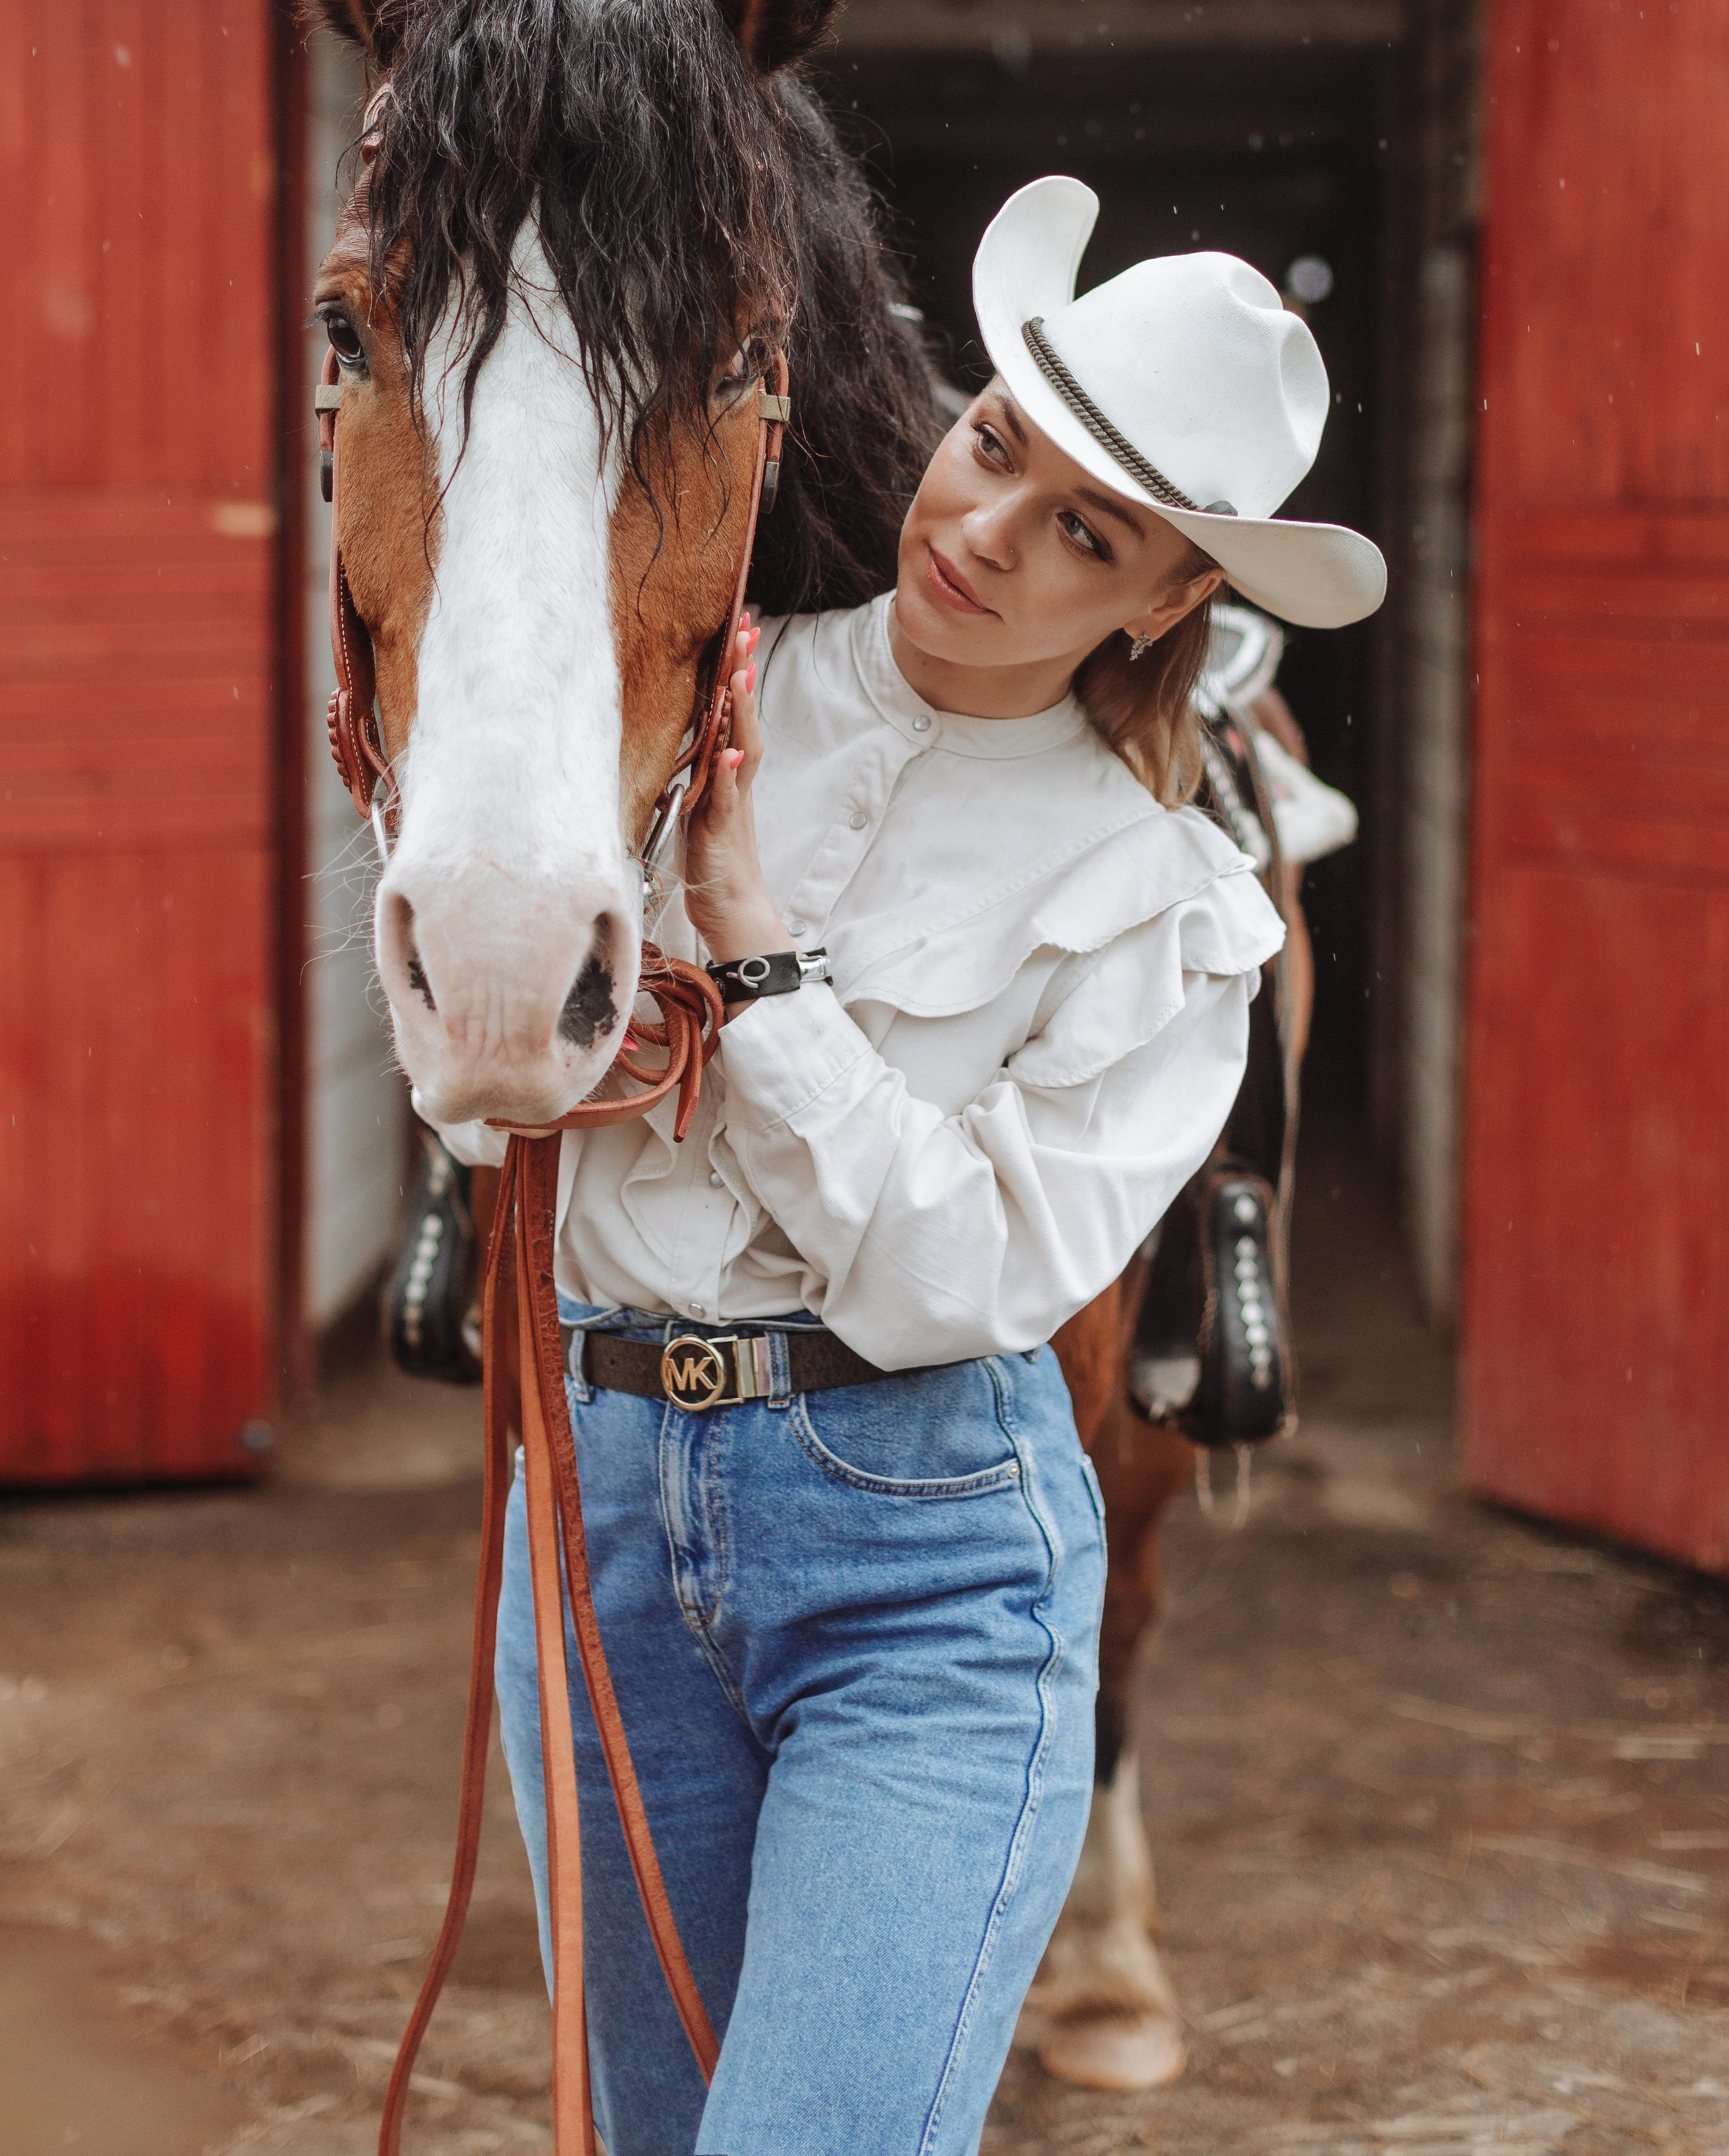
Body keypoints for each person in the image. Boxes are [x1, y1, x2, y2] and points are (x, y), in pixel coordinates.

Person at [423, 174, 1385, 2156]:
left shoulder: (1163, 905)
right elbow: (475, 1078)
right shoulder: (679, 689)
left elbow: (956, 1280)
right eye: (997, 446)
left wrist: (758, 968)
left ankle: (1229, 1264)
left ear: (1164, 602)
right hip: (596, 1518)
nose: (985, 531)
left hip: (918, 1556)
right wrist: (543, 1043)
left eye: (1086, 534)